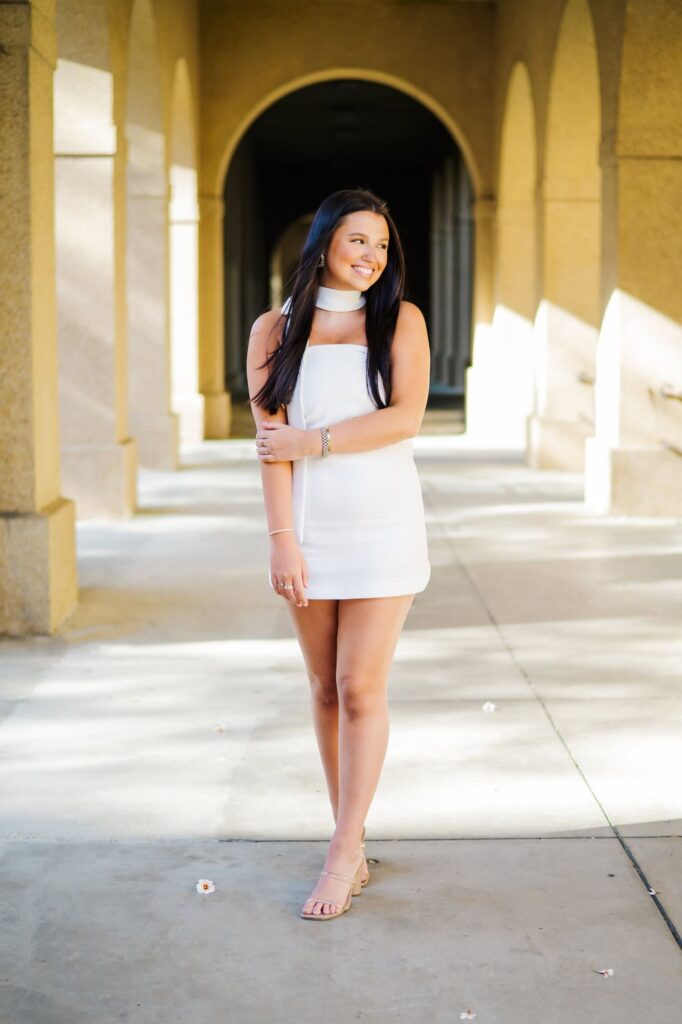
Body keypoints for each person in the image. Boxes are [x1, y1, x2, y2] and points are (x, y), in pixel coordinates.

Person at [246, 187, 431, 920]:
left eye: (382, 246)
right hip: (310, 533)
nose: (371, 257)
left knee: (360, 687)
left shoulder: (400, 320)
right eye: (358, 240)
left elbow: (406, 418)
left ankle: (342, 849)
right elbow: (268, 448)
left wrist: (313, 441)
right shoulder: (273, 328)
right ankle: (347, 836)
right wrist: (282, 540)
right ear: (324, 242)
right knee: (324, 688)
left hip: (383, 524)